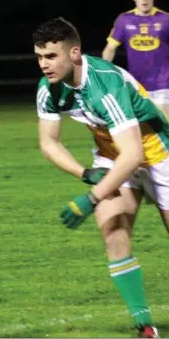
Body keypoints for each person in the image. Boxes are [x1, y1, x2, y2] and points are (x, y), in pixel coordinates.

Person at [34, 17, 169, 339]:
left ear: (75, 53)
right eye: (39, 57)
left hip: (157, 152)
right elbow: (48, 142)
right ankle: (145, 326)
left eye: (51, 56)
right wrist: (85, 173)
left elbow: (134, 154)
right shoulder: (49, 89)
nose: (44, 65)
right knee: (113, 231)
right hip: (112, 154)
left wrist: (91, 199)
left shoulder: (104, 84)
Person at [102, 0, 169, 120]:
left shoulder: (165, 19)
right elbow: (110, 48)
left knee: (164, 123)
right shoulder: (124, 20)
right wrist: (103, 72)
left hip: (163, 83)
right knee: (140, 127)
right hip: (136, 84)